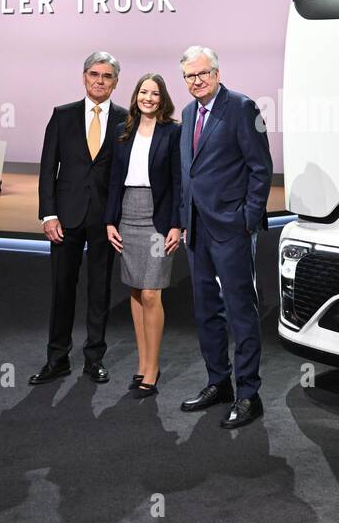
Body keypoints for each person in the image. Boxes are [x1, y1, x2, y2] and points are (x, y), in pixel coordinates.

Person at [176, 45, 273, 428]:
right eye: (189, 76)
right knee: (206, 312)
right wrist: (185, 218)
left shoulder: (242, 107)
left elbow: (260, 168)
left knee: (241, 312)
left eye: (202, 74)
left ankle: (249, 394)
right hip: (197, 229)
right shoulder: (187, 113)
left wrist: (247, 219)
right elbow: (192, 172)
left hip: (231, 229)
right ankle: (219, 383)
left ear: (216, 73)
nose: (196, 81)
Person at [30, 52, 127, 386]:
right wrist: (49, 215)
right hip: (65, 219)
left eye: (107, 76)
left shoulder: (124, 120)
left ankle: (93, 359)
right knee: (62, 289)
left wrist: (118, 218)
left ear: (116, 81)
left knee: (99, 290)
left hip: (104, 220)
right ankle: (56, 359)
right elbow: (47, 169)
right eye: (94, 74)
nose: (99, 81)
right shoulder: (62, 116)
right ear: (84, 77)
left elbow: (122, 174)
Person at [105, 73, 183, 399]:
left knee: (151, 294)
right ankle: (142, 364)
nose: (148, 98)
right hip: (127, 215)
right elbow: (113, 180)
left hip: (158, 216)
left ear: (162, 99)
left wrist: (178, 224)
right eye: (143, 92)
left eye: (154, 93)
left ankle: (153, 368)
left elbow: (180, 181)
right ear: (135, 95)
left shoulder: (173, 132)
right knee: (136, 293)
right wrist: (110, 221)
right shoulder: (123, 132)